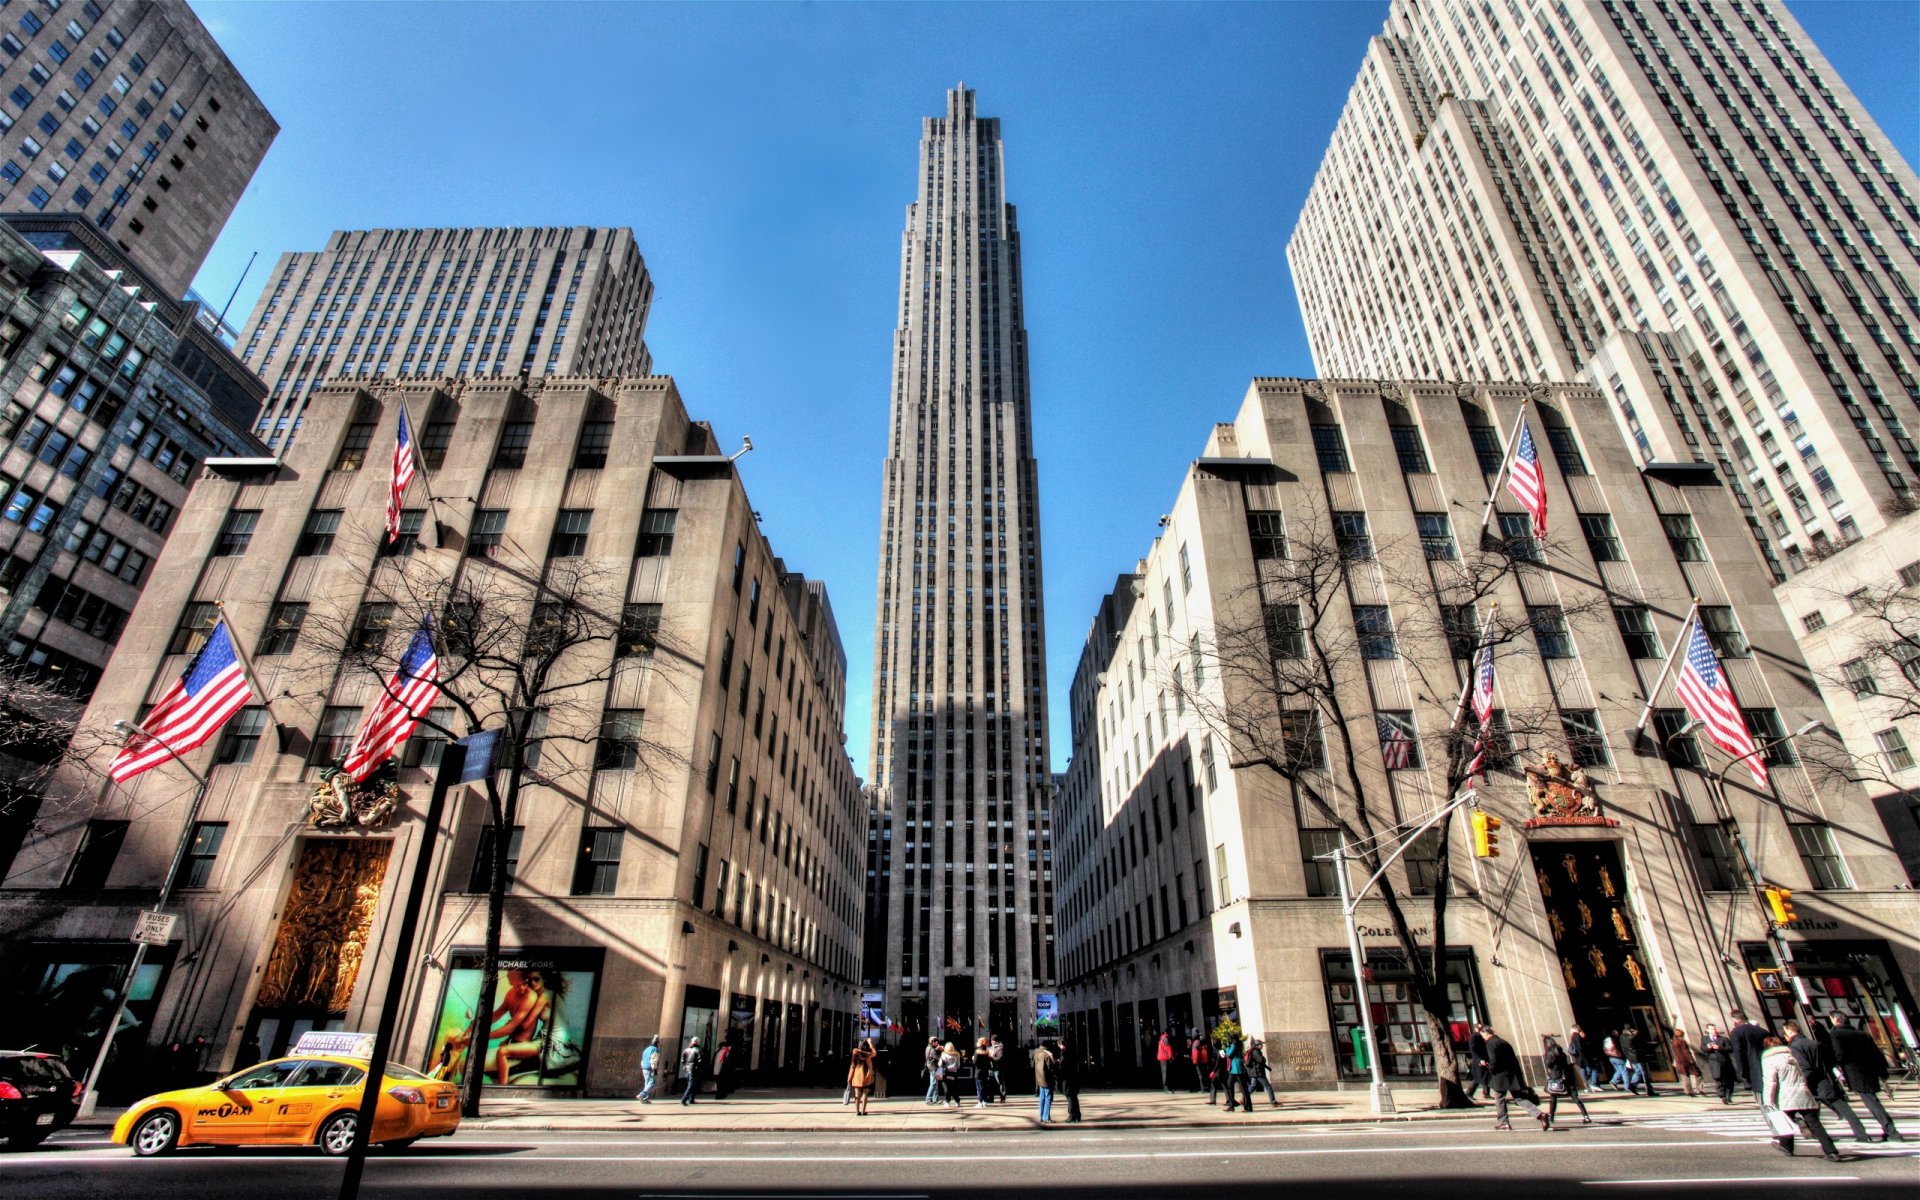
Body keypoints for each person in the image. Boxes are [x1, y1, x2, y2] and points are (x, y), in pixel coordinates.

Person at [1760, 1035, 1841, 1161]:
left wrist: (1768, 1101)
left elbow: (1770, 1082)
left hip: (1784, 1096)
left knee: (1784, 1122)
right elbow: (1802, 1076)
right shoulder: (1792, 1057)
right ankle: (1831, 1151)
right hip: (1802, 1093)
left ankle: (1787, 1147)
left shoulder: (1769, 1060)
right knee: (1815, 1124)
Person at [1785, 1021, 1869, 1142]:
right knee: (1843, 1109)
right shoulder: (1813, 1043)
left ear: (1790, 1031)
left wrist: (1803, 1082)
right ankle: (1861, 1134)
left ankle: (1816, 1133)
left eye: (1785, 1032)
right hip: (1825, 1079)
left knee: (1812, 1111)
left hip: (1812, 1082)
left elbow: (1805, 1067)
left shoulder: (1795, 1046)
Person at [1827, 1015, 1905, 1143]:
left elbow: (1839, 1054)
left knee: (1872, 1102)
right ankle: (1888, 1130)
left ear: (1836, 1020)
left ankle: (1892, 1131)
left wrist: (1836, 1066)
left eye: (1831, 1019)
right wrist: (1882, 1071)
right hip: (1870, 1070)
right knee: (1872, 1099)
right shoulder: (1862, 1034)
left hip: (1854, 1071)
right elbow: (1876, 1053)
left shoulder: (1836, 1034)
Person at [1484, 1025, 1549, 1131]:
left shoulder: (1490, 1044)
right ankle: (1540, 1114)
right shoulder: (1504, 1042)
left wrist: (1489, 1067)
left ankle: (1504, 1122)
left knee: (1499, 1099)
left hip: (1499, 1075)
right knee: (1519, 1098)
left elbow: (1494, 1060)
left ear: (1486, 1034)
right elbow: (1513, 1059)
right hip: (1512, 1074)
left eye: (1483, 1035)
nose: (1483, 1037)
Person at [1541, 1034, 1592, 1127]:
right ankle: (1586, 1116)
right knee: (1575, 1097)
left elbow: (1549, 1064)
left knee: (1553, 1097)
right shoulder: (1561, 1052)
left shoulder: (1549, 1053)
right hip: (1566, 1076)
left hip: (1555, 1077)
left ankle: (1551, 1116)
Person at [1728, 1009, 1771, 1095]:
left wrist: (1741, 1070)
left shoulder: (1736, 1032)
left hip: (1750, 1066)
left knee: (1759, 1091)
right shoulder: (1763, 1031)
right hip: (1767, 1062)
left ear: (1736, 1020)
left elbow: (1738, 1051)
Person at [1699, 1024, 1737, 1104]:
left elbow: (1731, 1049)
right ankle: (1722, 1096)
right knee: (1718, 1079)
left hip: (1725, 1062)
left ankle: (1728, 1096)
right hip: (1714, 1063)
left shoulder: (1724, 1039)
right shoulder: (1704, 1039)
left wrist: (1719, 1047)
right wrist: (1708, 1047)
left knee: (1729, 1080)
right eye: (1712, 1029)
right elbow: (1703, 1048)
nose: (1714, 1031)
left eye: (1715, 1029)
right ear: (1708, 1030)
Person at [1622, 1025, 1656, 1096]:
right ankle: (1649, 1090)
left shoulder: (1622, 1037)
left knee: (1638, 1072)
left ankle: (1632, 1086)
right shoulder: (1631, 1037)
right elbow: (1635, 1041)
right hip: (1637, 1057)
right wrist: (1636, 1034)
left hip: (1631, 1058)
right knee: (1644, 1073)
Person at [847, 1038, 878, 1117]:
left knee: (857, 1093)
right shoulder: (869, 1054)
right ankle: (863, 1111)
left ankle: (857, 1111)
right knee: (865, 1093)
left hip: (857, 1075)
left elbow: (852, 1067)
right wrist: (870, 1043)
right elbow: (875, 1052)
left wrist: (849, 1078)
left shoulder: (855, 1053)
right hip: (866, 1075)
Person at [1247, 1038, 1279, 1108]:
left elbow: (1260, 1063)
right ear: (1257, 1045)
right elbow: (1260, 1060)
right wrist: (1264, 1058)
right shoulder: (1256, 1052)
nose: (1262, 1046)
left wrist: (1267, 1067)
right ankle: (1273, 1102)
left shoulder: (1255, 1051)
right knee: (1268, 1087)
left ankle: (1244, 1099)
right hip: (1258, 1073)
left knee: (1252, 1087)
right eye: (1261, 1044)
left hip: (1255, 1072)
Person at [1671, 1026, 1702, 1097]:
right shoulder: (1682, 1041)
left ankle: (1688, 1091)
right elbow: (1686, 1051)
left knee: (1685, 1076)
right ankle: (1699, 1089)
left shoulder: (1674, 1042)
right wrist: (1692, 1060)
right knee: (1698, 1074)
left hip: (1679, 1062)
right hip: (1686, 1061)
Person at [1057, 1037, 1082, 1123]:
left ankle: (1072, 1115)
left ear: (1062, 1045)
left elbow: (1062, 1067)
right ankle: (1077, 1115)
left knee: (1070, 1097)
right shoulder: (1073, 1051)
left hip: (1068, 1079)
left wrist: (1058, 1064)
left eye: (1059, 1045)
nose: (1059, 1047)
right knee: (1073, 1097)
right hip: (1074, 1078)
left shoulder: (1065, 1053)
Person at [1568, 1024, 1599, 1091]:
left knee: (1583, 1069)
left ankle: (1587, 1084)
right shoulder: (1577, 1036)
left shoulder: (1573, 1036)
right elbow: (1580, 1047)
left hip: (1579, 1057)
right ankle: (1589, 1083)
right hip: (1583, 1056)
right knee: (1589, 1069)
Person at [1032, 1039, 1057, 1123]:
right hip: (1047, 1079)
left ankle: (1041, 1116)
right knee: (1048, 1097)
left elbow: (1032, 1064)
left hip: (1039, 1078)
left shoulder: (1035, 1052)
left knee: (1041, 1097)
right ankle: (1046, 1117)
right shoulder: (1047, 1054)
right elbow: (1051, 1067)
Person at [1469, 1024, 1493, 1099]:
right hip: (1479, 1061)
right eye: (1479, 1028)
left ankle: (1486, 1093)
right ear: (1476, 1028)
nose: (1480, 1029)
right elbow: (1473, 1050)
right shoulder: (1474, 1037)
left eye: (1481, 1027)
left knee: (1487, 1076)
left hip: (1485, 1059)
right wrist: (1479, 1059)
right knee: (1478, 1078)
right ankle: (1469, 1093)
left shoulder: (1482, 1037)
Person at [679, 1036, 703, 1105]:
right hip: (693, 1069)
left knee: (691, 1084)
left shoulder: (686, 1050)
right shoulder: (698, 1050)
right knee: (691, 1084)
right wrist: (699, 1067)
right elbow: (700, 1060)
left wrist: (685, 1065)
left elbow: (682, 1060)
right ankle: (684, 1098)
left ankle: (691, 1099)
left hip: (687, 1069)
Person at [938, 1041, 963, 1108]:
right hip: (954, 1073)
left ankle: (947, 1102)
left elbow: (940, 1064)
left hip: (946, 1073)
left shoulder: (943, 1054)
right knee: (954, 1087)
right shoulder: (957, 1054)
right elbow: (958, 1065)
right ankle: (957, 1101)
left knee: (946, 1087)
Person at [637, 1035, 660, 1103]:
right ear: (657, 1043)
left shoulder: (646, 1049)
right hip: (650, 1068)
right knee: (652, 1083)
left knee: (647, 1083)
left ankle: (645, 1098)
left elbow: (643, 1059)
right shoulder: (655, 1050)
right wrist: (655, 1069)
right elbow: (654, 1060)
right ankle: (642, 1095)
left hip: (644, 1067)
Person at [973, 1038, 994, 1109]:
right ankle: (984, 1101)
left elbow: (974, 1062)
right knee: (984, 1086)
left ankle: (980, 1102)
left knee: (979, 1087)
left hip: (978, 1071)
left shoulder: (977, 1051)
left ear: (980, 1043)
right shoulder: (987, 1051)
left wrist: (973, 1058)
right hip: (985, 1071)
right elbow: (988, 1063)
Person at [988, 1035, 1007, 1102]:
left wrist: (992, 1057)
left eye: (993, 1040)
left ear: (996, 1041)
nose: (992, 1042)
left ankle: (1002, 1097)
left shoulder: (1000, 1048)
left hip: (997, 1068)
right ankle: (990, 1098)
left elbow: (1000, 1058)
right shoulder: (989, 1048)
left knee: (1000, 1082)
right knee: (990, 1083)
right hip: (990, 1068)